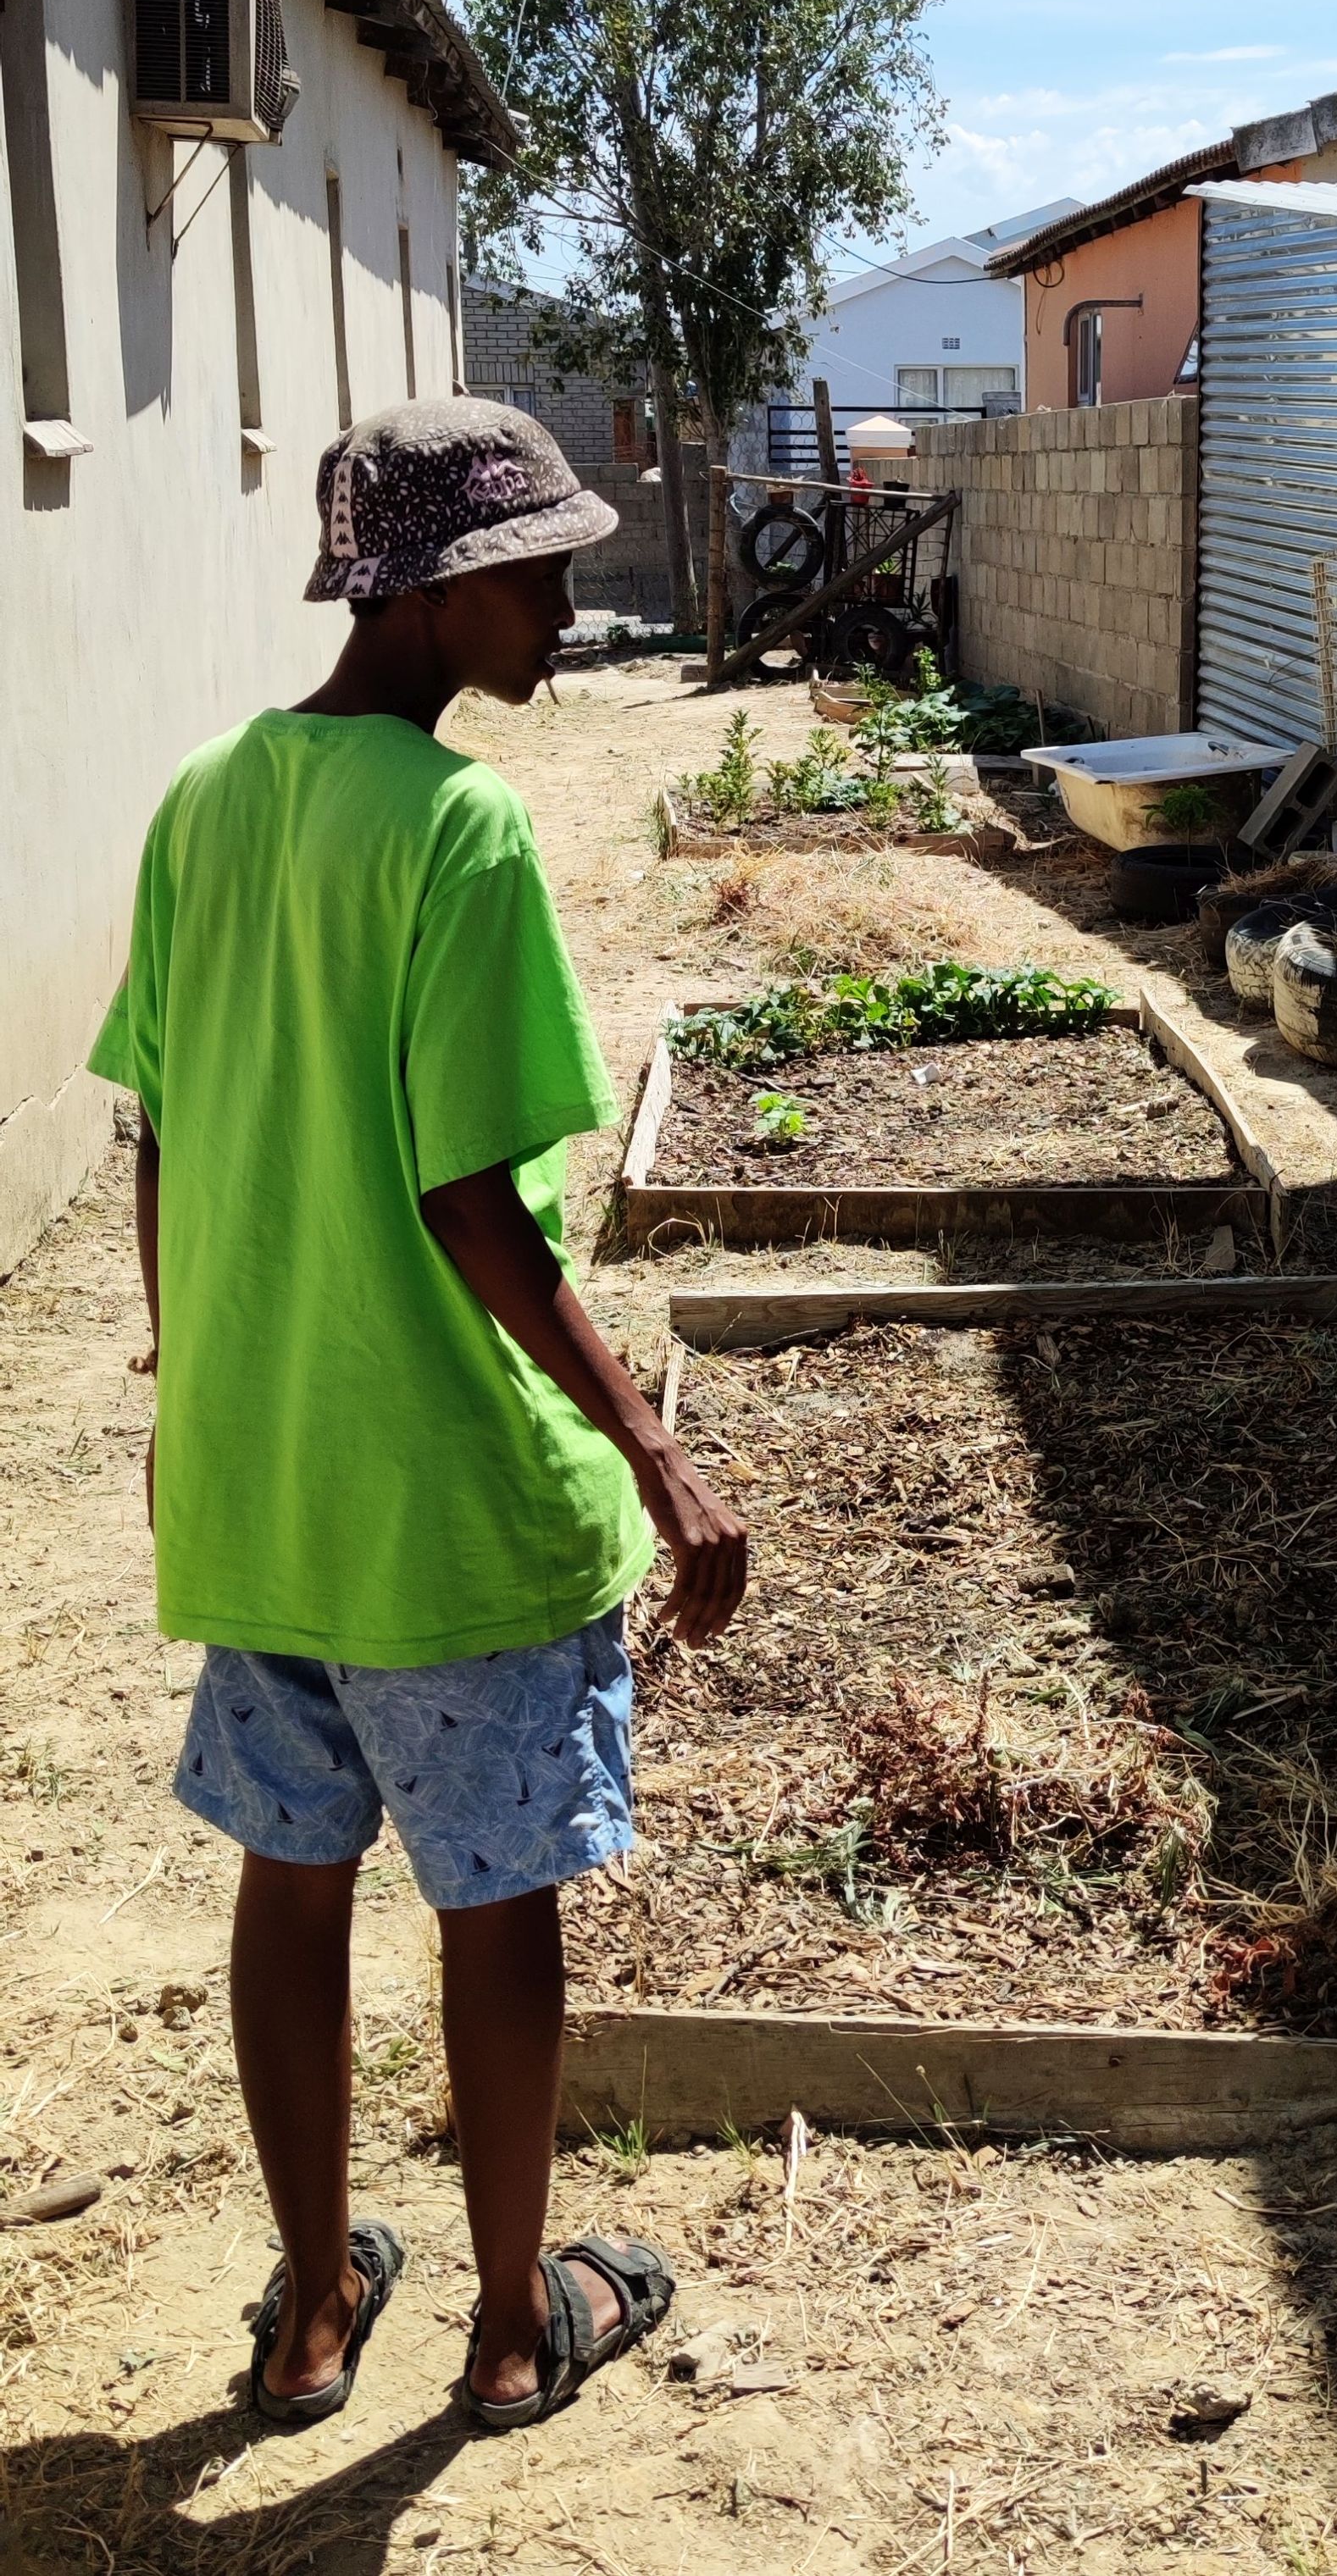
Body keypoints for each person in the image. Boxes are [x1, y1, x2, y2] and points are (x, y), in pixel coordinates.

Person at [91, 400, 748, 2432]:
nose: (564, 607)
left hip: (266, 1481)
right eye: (537, 576)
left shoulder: (209, 794)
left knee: (292, 1886)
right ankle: (499, 2324)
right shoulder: (457, 832)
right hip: (443, 1506)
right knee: (492, 1900)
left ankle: (307, 2313)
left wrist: (201, 1373)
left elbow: (163, 1132)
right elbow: (474, 1203)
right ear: (436, 588)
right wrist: (652, 1447)